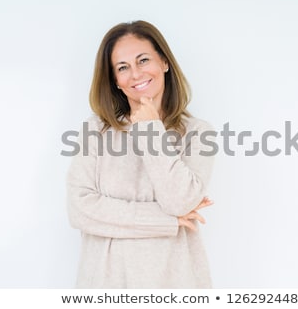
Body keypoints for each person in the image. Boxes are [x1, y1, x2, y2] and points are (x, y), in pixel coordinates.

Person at [66, 20, 216, 288]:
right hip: (105, 284)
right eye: (123, 67)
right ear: (115, 80)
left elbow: (180, 202)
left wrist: (149, 129)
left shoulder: (198, 133)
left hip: (175, 283)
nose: (135, 74)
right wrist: (166, 221)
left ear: (164, 63)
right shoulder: (96, 130)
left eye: (143, 60)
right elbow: (80, 210)